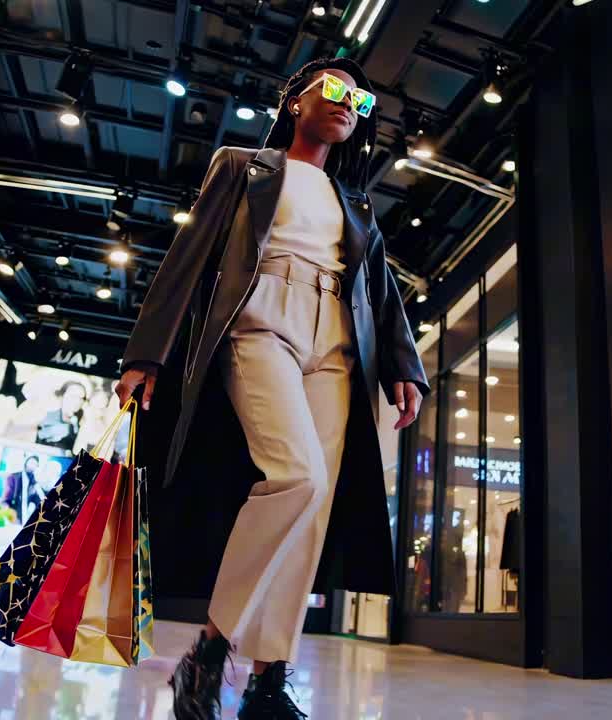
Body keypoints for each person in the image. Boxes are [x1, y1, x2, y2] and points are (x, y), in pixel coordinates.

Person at [115, 57, 426, 720]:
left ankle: (266, 679)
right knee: (297, 477)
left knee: (312, 512)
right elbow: (189, 253)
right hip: (259, 324)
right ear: (294, 101)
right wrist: (148, 353)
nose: (349, 104)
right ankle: (210, 649)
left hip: (336, 345)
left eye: (361, 101)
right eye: (336, 91)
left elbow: (382, 290)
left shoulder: (355, 201)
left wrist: (405, 365)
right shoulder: (241, 166)